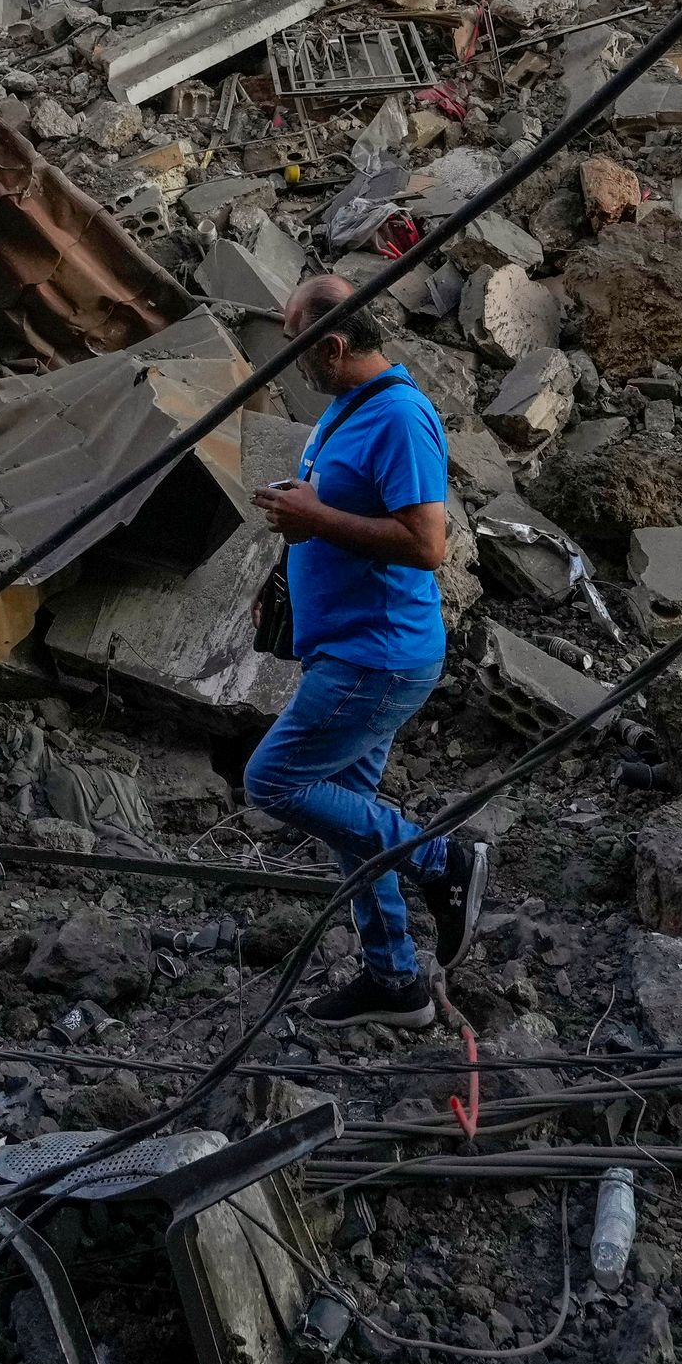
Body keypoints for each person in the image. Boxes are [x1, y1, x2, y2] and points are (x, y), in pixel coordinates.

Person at [247, 275, 492, 1031]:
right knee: (347, 821)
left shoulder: (400, 416)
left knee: (275, 782)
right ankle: (395, 983)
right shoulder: (345, 411)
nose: (289, 358)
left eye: (296, 342)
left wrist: (315, 515)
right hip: (348, 650)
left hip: (377, 658)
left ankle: (439, 860)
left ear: (333, 345)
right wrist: (306, 512)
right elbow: (342, 509)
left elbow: (428, 543)